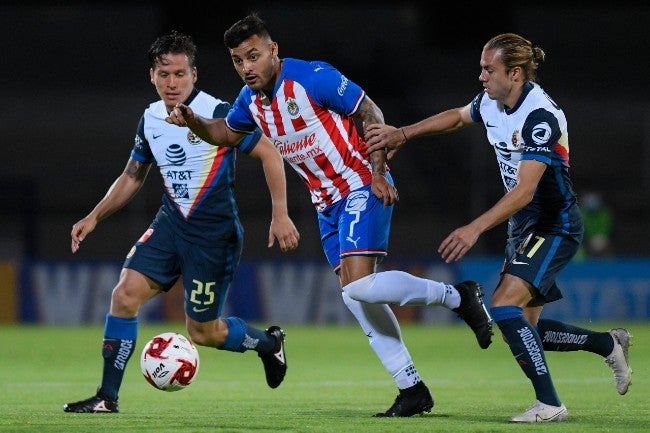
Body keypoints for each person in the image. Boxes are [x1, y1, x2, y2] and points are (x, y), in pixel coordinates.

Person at [166, 14, 494, 418]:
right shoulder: (250, 101)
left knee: (358, 288)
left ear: (273, 50)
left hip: (359, 182)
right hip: (326, 204)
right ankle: (412, 388)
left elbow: (368, 110)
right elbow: (225, 133)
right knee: (358, 298)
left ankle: (458, 296)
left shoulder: (312, 77)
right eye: (237, 60)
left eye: (253, 56)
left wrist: (376, 173)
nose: (246, 67)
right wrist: (193, 120)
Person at [365, 33, 632, 422]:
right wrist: (403, 133)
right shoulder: (492, 102)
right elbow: (457, 116)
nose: (482, 77)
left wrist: (473, 228)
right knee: (523, 329)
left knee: (504, 306)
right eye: (481, 68)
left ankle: (551, 405)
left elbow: (525, 191)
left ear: (516, 73)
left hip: (552, 222)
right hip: (525, 225)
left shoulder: (540, 116)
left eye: (489, 69)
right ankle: (608, 343)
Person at [63, 30, 300, 413]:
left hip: (213, 236)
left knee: (202, 332)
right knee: (123, 296)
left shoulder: (220, 112)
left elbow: (270, 154)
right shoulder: (150, 117)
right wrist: (95, 215)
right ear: (151, 76)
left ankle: (270, 344)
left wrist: (281, 213)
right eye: (164, 74)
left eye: (179, 74)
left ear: (194, 74)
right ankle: (107, 398)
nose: (171, 83)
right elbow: (132, 176)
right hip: (171, 225)